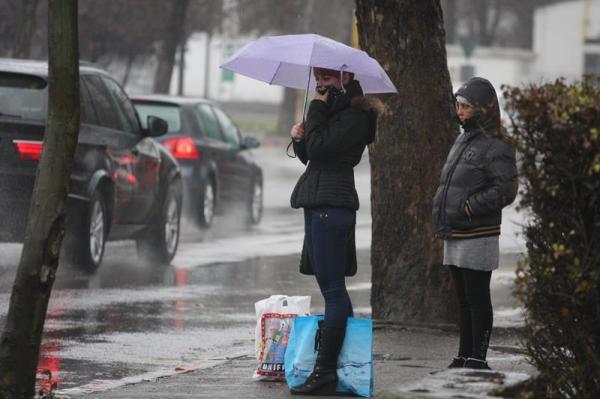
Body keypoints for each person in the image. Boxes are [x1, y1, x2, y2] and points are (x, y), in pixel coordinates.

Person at [288, 67, 380, 395]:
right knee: (332, 288)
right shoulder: (333, 113)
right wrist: (300, 140)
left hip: (333, 207)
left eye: (327, 79)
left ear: (344, 79)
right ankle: (345, 364)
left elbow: (324, 150)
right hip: (320, 202)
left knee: (333, 292)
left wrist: (314, 111)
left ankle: (325, 370)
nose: (321, 85)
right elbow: (313, 155)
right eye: (318, 80)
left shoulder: (354, 117)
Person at [432, 77, 518, 370]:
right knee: (463, 299)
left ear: (481, 108)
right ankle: (463, 354)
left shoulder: (498, 144)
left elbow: (505, 189)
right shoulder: (463, 138)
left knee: (477, 297)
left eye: (466, 106)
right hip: (455, 231)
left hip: (478, 233)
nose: (460, 111)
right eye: (459, 105)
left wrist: (469, 206)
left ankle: (477, 358)